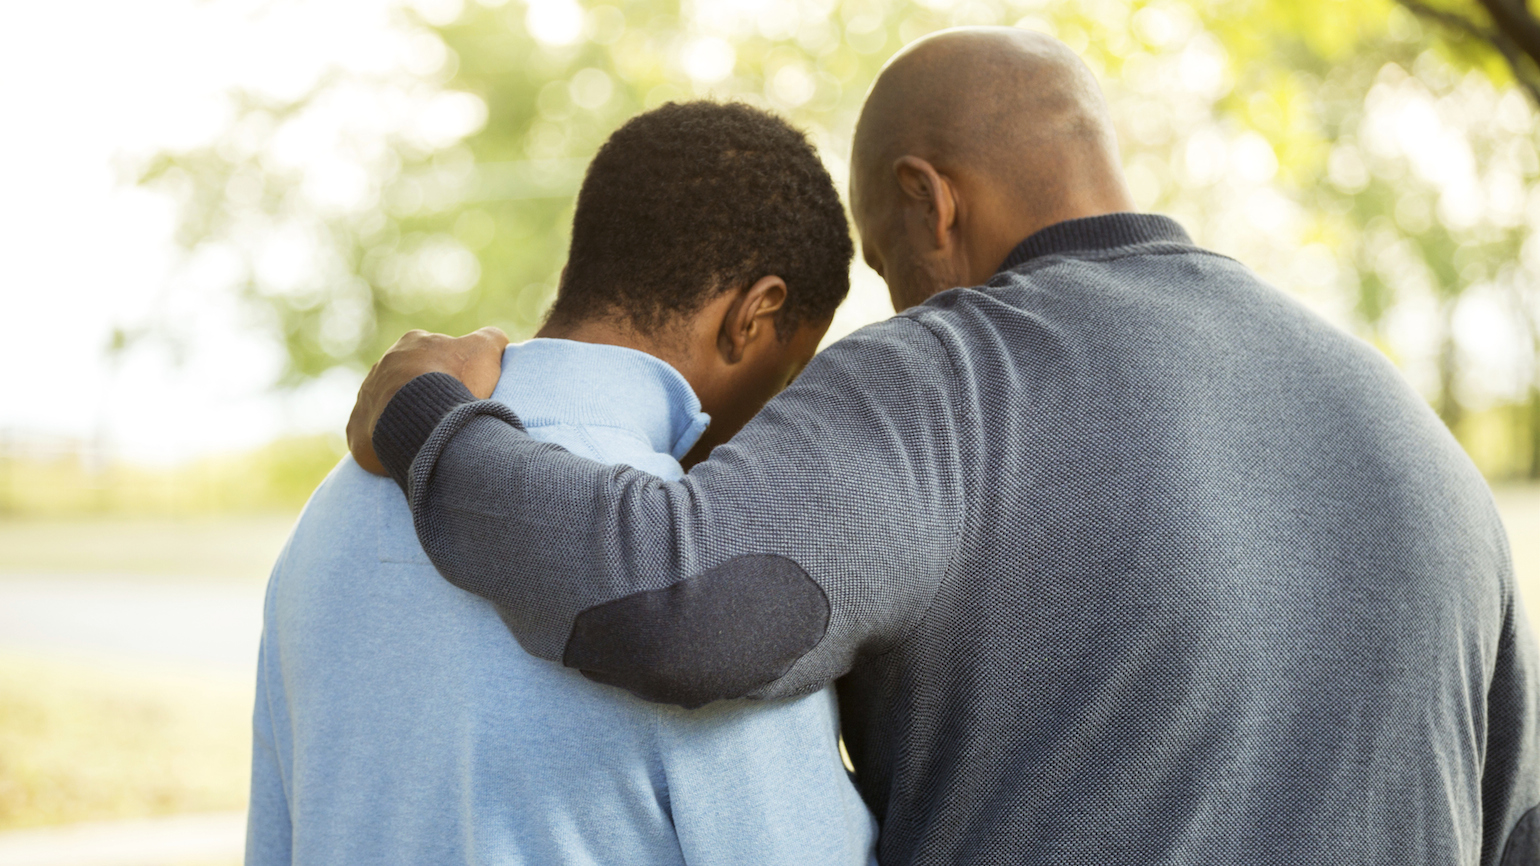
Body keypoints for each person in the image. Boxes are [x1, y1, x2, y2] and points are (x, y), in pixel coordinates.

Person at [349, 28, 1540, 866]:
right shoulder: (1413, 433)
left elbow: (670, 599)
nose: (895, 301)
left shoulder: (951, 378)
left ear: (929, 201)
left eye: (882, 262)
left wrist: (431, 424)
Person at [246, 101, 878, 865]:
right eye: (792, 368)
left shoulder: (331, 512)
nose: (778, 404)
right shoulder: (704, 573)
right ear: (753, 314)